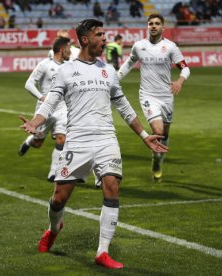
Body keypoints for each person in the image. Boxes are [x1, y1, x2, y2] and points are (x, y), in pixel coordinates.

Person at [19, 18, 167, 269]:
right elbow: (50, 102)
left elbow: (124, 106)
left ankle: (102, 251)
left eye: (105, 34)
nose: (105, 38)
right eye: (100, 34)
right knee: (58, 199)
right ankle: (54, 228)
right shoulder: (66, 70)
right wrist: (35, 122)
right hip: (77, 140)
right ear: (85, 39)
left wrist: (144, 136)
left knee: (112, 186)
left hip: (106, 139)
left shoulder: (108, 70)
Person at [117, 13, 190, 182]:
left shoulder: (171, 47)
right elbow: (129, 63)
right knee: (157, 131)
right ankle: (156, 159)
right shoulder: (139, 46)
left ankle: (158, 161)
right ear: (147, 26)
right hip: (148, 95)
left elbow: (185, 68)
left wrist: (180, 81)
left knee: (164, 134)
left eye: (157, 23)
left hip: (166, 96)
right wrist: (115, 77)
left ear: (163, 27)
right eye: (151, 23)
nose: (154, 26)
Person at [18, 37, 72, 182]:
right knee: (38, 143)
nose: (70, 51)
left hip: (62, 109)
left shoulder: (69, 66)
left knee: (62, 139)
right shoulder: (45, 65)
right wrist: (42, 97)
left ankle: (53, 172)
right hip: (45, 109)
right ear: (61, 50)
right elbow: (29, 84)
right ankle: (29, 141)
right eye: (68, 48)